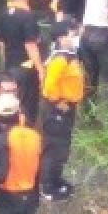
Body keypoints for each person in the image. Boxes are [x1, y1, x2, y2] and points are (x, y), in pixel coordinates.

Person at [40, 18, 85, 200]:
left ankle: (56, 180)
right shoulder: (59, 59)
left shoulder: (69, 55)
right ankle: (47, 188)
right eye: (72, 34)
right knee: (54, 147)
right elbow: (48, 87)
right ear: (61, 37)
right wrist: (59, 102)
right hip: (58, 109)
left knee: (63, 147)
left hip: (67, 107)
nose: (75, 37)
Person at [0, 0, 44, 126]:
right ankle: (26, 141)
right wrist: (41, 69)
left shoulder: (3, 14)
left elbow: (1, 44)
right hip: (26, 68)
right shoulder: (28, 17)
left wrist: (3, 68)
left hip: (10, 67)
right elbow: (30, 45)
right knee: (27, 109)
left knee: (11, 108)